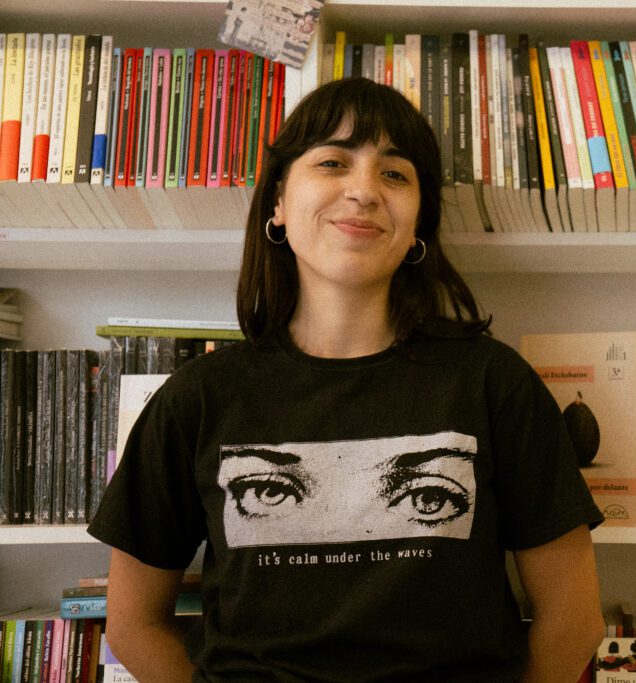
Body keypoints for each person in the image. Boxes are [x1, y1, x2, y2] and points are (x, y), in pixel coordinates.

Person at [87, 76, 606, 682]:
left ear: (419, 222)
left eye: (395, 174)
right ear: (278, 203)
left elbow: (574, 621)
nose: (363, 190)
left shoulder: (494, 383)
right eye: (333, 162)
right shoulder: (197, 398)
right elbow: (133, 625)